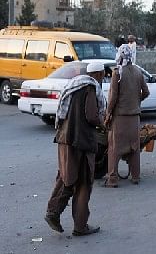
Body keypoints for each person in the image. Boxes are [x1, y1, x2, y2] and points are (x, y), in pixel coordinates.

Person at [45, 62, 106, 236]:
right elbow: (91, 116)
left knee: (66, 176)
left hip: (65, 138)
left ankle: (53, 212)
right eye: (103, 74)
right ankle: (80, 226)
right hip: (81, 141)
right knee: (83, 183)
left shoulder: (73, 86)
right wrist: (103, 124)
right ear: (99, 74)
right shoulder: (90, 89)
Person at [104, 45, 149, 187]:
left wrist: (107, 114)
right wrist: (136, 101)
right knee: (134, 148)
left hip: (120, 117)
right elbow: (146, 92)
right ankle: (135, 176)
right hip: (134, 117)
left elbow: (112, 98)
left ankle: (112, 178)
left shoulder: (117, 72)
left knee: (114, 148)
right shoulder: (137, 71)